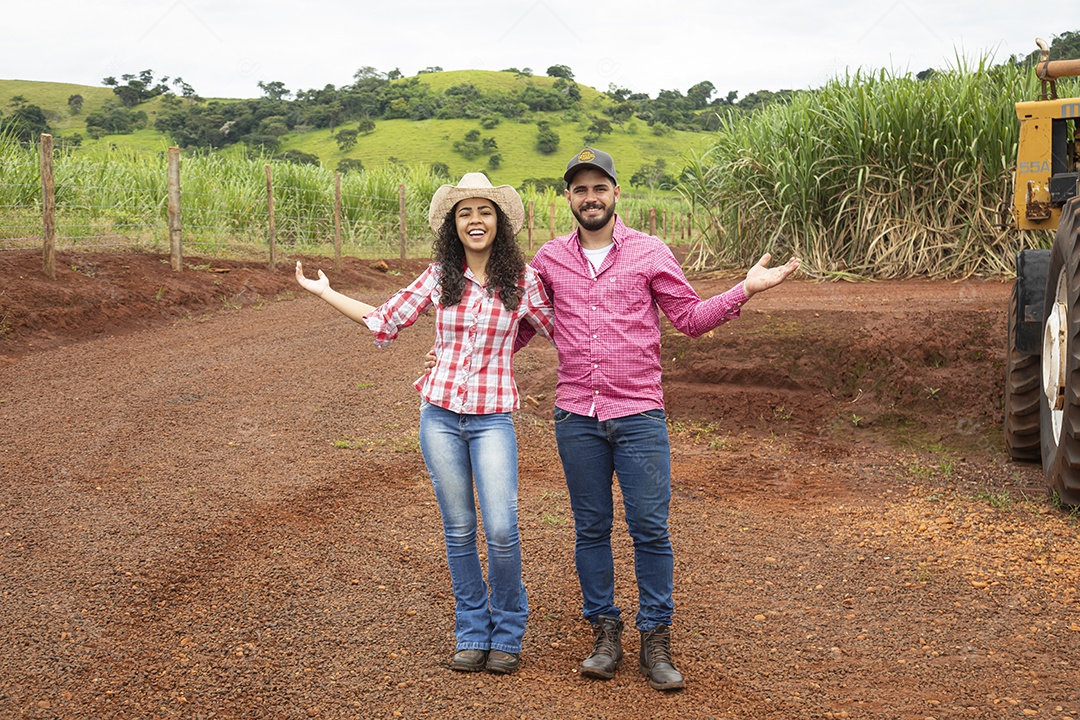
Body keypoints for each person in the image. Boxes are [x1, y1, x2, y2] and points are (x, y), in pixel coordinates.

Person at [516, 147, 800, 691]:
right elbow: (524, 327)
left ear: (615, 193)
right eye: (581, 189)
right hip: (577, 415)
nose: (591, 198)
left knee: (649, 527)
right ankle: (605, 633)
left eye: (600, 187)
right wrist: (463, 355)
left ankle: (656, 638)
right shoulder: (548, 260)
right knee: (591, 528)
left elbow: (689, 318)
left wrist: (745, 289)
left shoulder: (649, 251)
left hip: (639, 414)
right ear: (568, 197)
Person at [295, 172, 554, 675]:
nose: (475, 220)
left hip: (492, 419)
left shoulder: (523, 281)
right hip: (439, 417)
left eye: (484, 212)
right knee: (459, 529)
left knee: (502, 529)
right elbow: (384, 319)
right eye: (464, 213)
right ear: (453, 225)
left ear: (499, 222)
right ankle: (472, 630)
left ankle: (508, 629)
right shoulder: (440, 276)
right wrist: (325, 292)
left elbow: (565, 331)